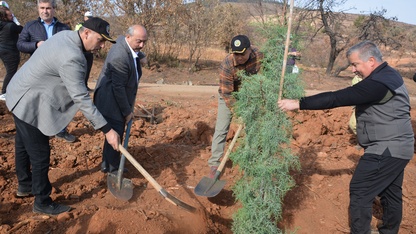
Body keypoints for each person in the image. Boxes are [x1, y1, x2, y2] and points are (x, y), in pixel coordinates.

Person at [278, 40, 414, 233]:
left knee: (360, 191)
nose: (352, 70)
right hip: (399, 146)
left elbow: (337, 98)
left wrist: (298, 103)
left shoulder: (378, 84)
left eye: (355, 64)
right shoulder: (389, 74)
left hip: (386, 148)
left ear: (371, 61)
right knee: (391, 193)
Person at [6, 17, 119, 216]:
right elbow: (80, 97)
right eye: (100, 40)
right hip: (29, 101)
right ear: (86, 33)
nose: (102, 46)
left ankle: (25, 185)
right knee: (40, 156)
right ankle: (42, 201)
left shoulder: (66, 36)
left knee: (22, 144)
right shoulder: (72, 56)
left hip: (20, 91)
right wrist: (107, 129)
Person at [17, 0, 76, 142]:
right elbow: (20, 44)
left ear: (54, 9)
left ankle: (61, 130)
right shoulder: (31, 26)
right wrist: (36, 45)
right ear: (38, 9)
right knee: (38, 100)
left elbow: (72, 46)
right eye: (42, 8)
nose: (45, 11)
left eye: (48, 8)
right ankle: (39, 129)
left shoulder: (64, 28)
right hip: (38, 71)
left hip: (59, 72)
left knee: (60, 100)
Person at [207, 35, 264, 178]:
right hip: (229, 95)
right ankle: (214, 164)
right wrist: (239, 111)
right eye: (236, 54)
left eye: (242, 54)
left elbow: (276, 57)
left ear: (250, 50)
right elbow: (227, 94)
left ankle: (250, 159)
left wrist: (290, 55)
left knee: (252, 128)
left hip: (250, 95)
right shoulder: (227, 64)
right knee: (221, 129)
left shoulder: (259, 54)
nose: (238, 57)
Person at [94, 25, 148, 173]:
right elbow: (119, 89)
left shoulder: (125, 43)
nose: (141, 45)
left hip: (116, 96)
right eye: (139, 42)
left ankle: (107, 164)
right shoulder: (120, 57)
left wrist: (140, 55)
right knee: (115, 133)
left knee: (114, 132)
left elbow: (132, 48)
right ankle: (112, 169)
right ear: (128, 37)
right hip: (111, 100)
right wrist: (127, 112)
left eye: (144, 42)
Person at [0, 6, 23, 101]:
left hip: (2, 49)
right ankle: (4, 92)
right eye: (10, 16)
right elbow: (21, 29)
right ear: (4, 17)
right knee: (11, 71)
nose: (12, 16)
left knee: (11, 71)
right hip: (10, 51)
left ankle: (8, 90)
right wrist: (16, 21)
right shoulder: (11, 26)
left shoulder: (2, 24)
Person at [74, 11, 94, 91]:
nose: (89, 19)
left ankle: (85, 85)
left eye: (90, 17)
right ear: (84, 17)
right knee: (80, 68)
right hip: (81, 51)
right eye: (88, 17)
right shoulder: (79, 25)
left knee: (88, 69)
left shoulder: (93, 26)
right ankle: (80, 86)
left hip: (89, 52)